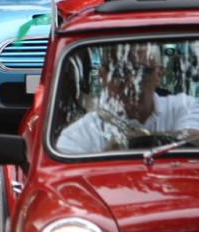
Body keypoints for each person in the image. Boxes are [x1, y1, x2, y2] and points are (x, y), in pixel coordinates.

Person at [56, 42, 199, 154]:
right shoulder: (81, 133)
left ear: (159, 74)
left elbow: (195, 138)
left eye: (141, 71)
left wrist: (127, 143)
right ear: (102, 76)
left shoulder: (185, 106)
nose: (131, 82)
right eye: (119, 72)